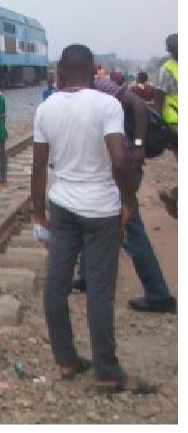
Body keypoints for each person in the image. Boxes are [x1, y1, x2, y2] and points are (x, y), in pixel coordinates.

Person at [32, 44, 156, 395]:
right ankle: (107, 370)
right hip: (101, 208)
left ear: (60, 72)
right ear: (94, 72)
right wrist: (128, 201)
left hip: (62, 205)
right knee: (99, 290)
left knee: (56, 283)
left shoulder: (46, 108)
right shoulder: (106, 104)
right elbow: (118, 161)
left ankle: (67, 360)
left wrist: (38, 212)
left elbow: (40, 165)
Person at [66, 74, 177, 314]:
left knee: (129, 227)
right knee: (89, 213)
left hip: (124, 166)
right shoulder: (72, 95)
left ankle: (159, 294)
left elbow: (137, 104)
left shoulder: (101, 86)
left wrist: (137, 144)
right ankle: (86, 276)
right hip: (108, 169)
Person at [152, 33, 178, 217]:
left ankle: (172, 194)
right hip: (175, 123)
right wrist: (158, 126)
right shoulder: (166, 70)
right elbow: (158, 100)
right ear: (169, 50)